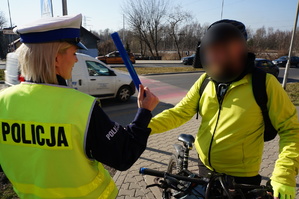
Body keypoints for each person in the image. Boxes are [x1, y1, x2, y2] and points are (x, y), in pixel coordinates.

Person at [0, 14, 159, 199]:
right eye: (74, 53)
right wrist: (144, 112)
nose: (76, 60)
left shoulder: (3, 102)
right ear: (56, 59)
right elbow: (123, 155)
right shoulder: (82, 107)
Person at [149, 19, 299, 199]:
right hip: (204, 167)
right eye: (212, 52)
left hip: (240, 178)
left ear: (240, 51)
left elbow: (291, 129)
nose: (217, 58)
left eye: (224, 52)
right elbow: (179, 112)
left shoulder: (264, 84)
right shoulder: (205, 81)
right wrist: (142, 127)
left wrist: (284, 174)